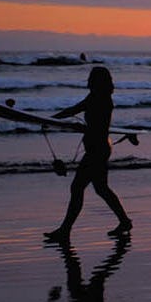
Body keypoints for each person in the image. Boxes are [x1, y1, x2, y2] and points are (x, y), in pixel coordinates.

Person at [45, 66, 133, 240]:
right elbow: (78, 111)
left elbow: (85, 118)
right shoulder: (101, 97)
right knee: (101, 189)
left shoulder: (98, 98)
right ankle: (124, 221)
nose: (89, 80)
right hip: (100, 148)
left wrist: (52, 120)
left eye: (92, 78)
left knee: (77, 187)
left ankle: (65, 231)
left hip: (96, 151)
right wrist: (53, 119)